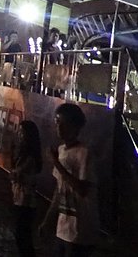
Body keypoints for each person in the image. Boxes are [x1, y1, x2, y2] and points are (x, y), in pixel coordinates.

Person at [41, 103, 98, 255]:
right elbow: (59, 191)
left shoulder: (84, 153)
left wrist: (57, 164)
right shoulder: (60, 151)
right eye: (57, 122)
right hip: (63, 228)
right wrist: (48, 220)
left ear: (73, 126)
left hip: (80, 230)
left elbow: (82, 189)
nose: (58, 127)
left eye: (62, 123)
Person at [10, 121, 41, 257]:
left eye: (22, 132)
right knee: (22, 235)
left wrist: (15, 174)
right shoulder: (23, 153)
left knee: (22, 236)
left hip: (25, 201)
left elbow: (17, 175)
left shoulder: (30, 157)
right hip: (19, 198)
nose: (19, 135)